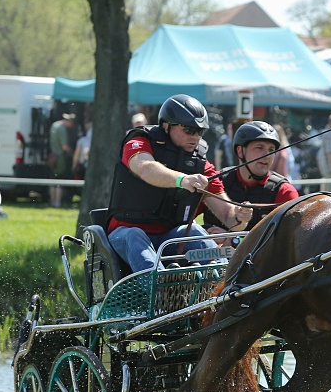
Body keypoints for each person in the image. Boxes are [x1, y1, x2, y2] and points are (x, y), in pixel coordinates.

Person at [107, 94, 251, 273]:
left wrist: (239, 216)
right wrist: (182, 180)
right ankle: (161, 292)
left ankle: (221, 284)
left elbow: (230, 218)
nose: (196, 137)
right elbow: (145, 168)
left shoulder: (202, 165)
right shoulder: (140, 141)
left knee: (195, 232)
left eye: (200, 132)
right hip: (124, 235)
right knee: (135, 235)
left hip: (169, 241)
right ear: (167, 126)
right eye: (189, 130)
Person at [204, 121, 299, 233]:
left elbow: (289, 240)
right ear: (240, 151)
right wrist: (208, 231)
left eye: (271, 150)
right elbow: (186, 223)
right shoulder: (217, 181)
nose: (267, 155)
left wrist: (235, 240)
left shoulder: (285, 192)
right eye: (259, 148)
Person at [49, 113, 76, 207]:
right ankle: (57, 202)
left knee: (53, 180)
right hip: (60, 157)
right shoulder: (62, 129)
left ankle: (52, 201)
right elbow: (65, 147)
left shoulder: (54, 125)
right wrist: (73, 153)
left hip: (53, 156)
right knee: (60, 180)